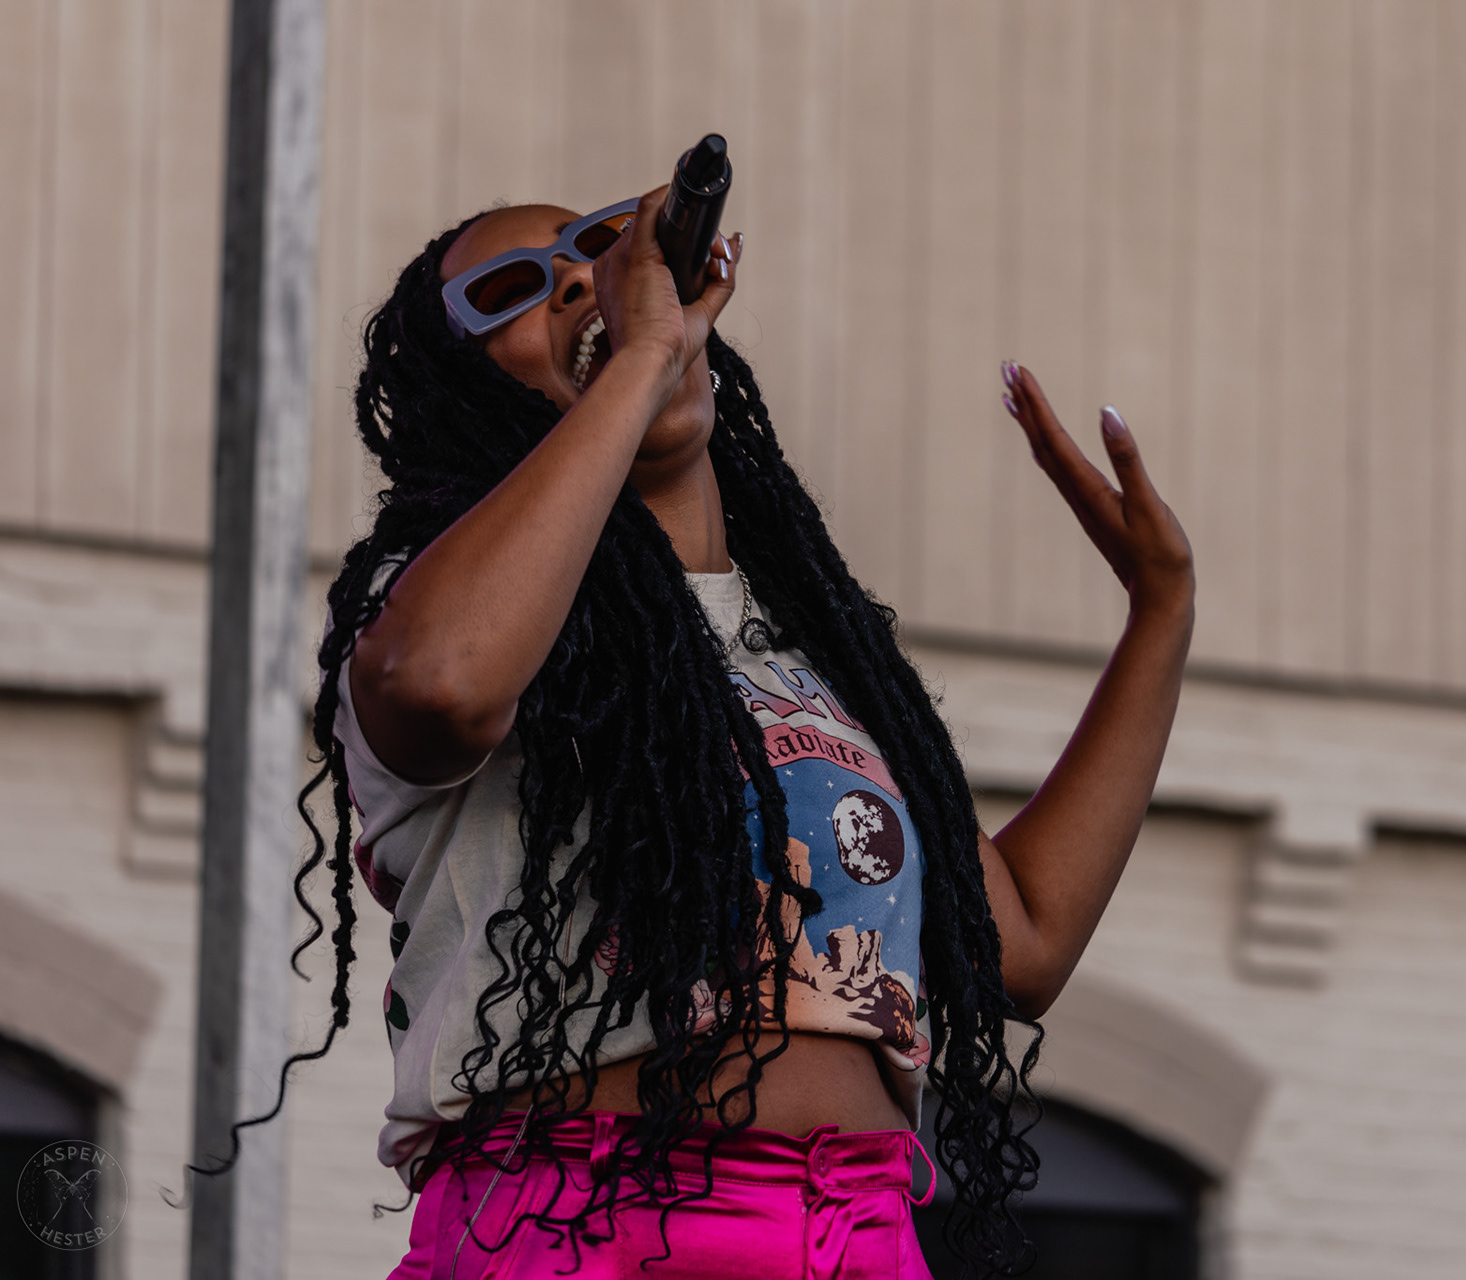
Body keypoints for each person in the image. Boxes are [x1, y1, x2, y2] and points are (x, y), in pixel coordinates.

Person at [296, 182, 1194, 1278]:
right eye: (513, 292)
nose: (584, 279)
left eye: (595, 248)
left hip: (855, 1229)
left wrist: (1162, 610)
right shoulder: (429, 607)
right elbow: (442, 684)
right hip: (586, 1221)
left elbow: (1027, 941)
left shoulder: (819, 657)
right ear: (467, 405)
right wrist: (631, 365)